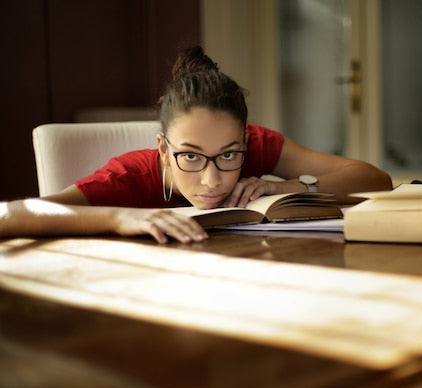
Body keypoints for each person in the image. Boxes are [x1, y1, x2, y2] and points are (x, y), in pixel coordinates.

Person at [0, 46, 392, 243]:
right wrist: (119, 217)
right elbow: (8, 215)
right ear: (162, 148)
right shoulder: (130, 176)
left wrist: (290, 187)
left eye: (228, 155)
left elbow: (375, 178)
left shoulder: (256, 145)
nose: (211, 179)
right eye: (189, 155)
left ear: (244, 140)